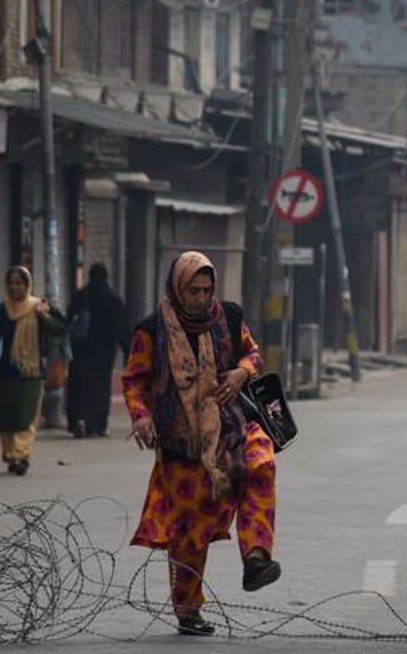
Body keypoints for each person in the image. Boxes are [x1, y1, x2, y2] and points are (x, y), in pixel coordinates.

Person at [122, 251, 280, 637]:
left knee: (261, 465)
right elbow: (134, 380)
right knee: (191, 529)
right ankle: (188, 608)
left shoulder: (228, 316)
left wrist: (242, 372)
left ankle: (256, 559)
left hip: (232, 425)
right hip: (183, 441)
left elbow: (252, 354)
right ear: (177, 289)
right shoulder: (150, 330)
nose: (202, 298)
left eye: (207, 289)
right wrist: (141, 416)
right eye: (193, 290)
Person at [0, 266, 66, 476]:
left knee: (26, 416)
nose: (15, 287)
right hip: (6, 371)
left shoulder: (38, 307)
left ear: (27, 285)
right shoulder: (0, 310)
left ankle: (21, 456)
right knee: (7, 417)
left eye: (19, 283)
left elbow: (59, 330)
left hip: (31, 372)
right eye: (11, 283)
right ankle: (10, 453)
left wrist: (44, 317)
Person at [67, 263, 130, 438]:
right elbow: (122, 329)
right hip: (104, 352)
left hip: (80, 350)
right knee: (100, 388)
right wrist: (128, 353)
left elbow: (68, 321)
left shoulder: (80, 297)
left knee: (79, 386)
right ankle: (96, 425)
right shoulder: (113, 300)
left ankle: (78, 419)